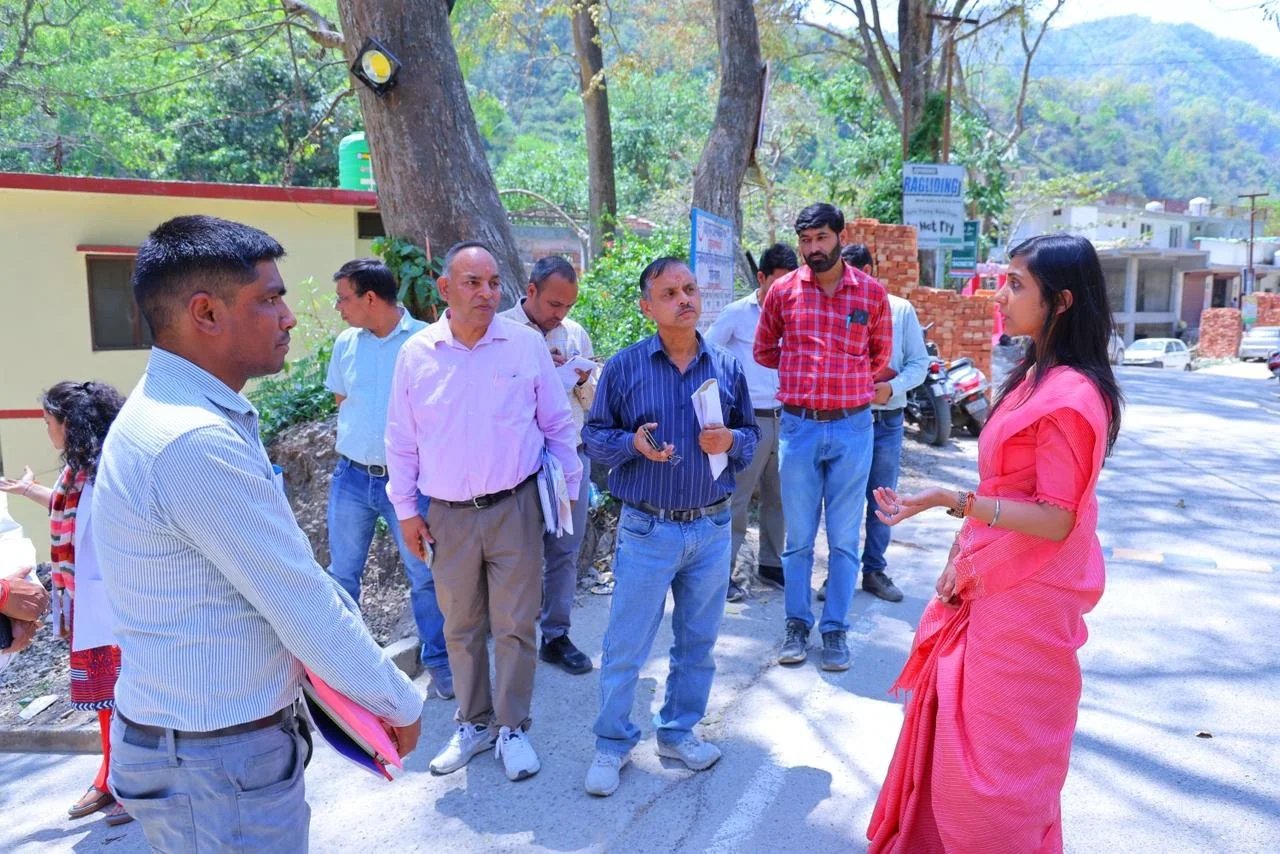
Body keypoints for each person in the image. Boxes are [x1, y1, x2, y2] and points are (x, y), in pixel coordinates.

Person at [92, 215, 423, 852]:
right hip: (215, 764)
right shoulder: (191, 441)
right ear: (206, 313)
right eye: (269, 299)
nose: (289, 317)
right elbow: (296, 599)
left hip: (202, 754)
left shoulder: (177, 412)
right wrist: (395, 700)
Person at [866, 233, 1123, 853]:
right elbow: (1005, 485)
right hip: (991, 582)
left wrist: (949, 500)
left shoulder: (1070, 395)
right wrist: (960, 552)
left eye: (1016, 284)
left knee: (995, 769)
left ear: (1061, 301)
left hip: (1025, 601)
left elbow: (1056, 519)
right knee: (956, 743)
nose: (999, 296)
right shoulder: (1035, 373)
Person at [386, 241, 582, 782]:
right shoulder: (417, 354)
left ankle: (513, 727)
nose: (486, 293)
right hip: (446, 515)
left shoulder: (523, 345)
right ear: (445, 288)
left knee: (516, 624)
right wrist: (407, 512)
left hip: (515, 507)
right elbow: (401, 441)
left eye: (494, 282)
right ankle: (474, 724)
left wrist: (567, 490)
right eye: (472, 282)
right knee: (461, 625)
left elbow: (556, 424)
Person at [581, 257, 759, 797]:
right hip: (647, 529)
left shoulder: (726, 367)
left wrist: (731, 440)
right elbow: (594, 438)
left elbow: (750, 436)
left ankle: (679, 732)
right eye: (669, 293)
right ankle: (612, 744)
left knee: (697, 642)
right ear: (646, 306)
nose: (683, 299)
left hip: (711, 527)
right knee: (627, 644)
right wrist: (631, 444)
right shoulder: (625, 368)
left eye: (689, 289)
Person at [753, 203, 891, 671]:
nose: (813, 248)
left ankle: (835, 630)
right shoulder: (783, 292)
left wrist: (840, 378)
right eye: (806, 240)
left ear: (839, 237)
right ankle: (796, 624)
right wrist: (803, 371)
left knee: (845, 538)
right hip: (799, 426)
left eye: (821, 238)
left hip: (853, 427)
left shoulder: (871, 294)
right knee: (798, 539)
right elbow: (764, 349)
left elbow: (879, 356)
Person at [0, 381, 132, 826]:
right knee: (106, 700)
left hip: (117, 604)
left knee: (128, 698)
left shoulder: (113, 466)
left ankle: (132, 781)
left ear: (69, 424)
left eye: (48, 422)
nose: (46, 430)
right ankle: (109, 775)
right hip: (86, 603)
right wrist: (27, 491)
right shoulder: (77, 472)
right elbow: (64, 508)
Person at [324, 258, 453, 698]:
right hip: (351, 477)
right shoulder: (346, 343)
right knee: (342, 576)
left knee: (424, 575)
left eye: (343, 298)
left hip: (409, 483)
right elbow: (343, 399)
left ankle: (440, 663)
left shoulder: (425, 342)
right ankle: (346, 670)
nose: (339, 307)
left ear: (370, 298)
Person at [816, 244, 929, 604]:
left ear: (867, 271)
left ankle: (874, 571)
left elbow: (919, 363)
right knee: (841, 499)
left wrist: (891, 387)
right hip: (845, 420)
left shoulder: (900, 309)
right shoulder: (829, 307)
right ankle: (838, 573)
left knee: (882, 497)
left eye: (848, 272)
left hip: (885, 421)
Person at [499, 255, 596, 675]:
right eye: (555, 304)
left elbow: (592, 404)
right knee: (514, 556)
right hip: (516, 465)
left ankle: (556, 636)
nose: (561, 314)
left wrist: (581, 379)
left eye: (568, 306)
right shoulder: (499, 330)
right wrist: (536, 373)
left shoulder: (574, 335)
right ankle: (513, 640)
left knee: (564, 552)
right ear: (531, 291)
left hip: (570, 456)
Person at [705, 243, 797, 600]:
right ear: (761, 277)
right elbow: (706, 352)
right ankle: (722, 573)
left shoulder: (796, 312)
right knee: (737, 499)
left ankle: (772, 564)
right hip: (748, 420)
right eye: (778, 282)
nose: (785, 290)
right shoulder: (737, 313)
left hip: (786, 417)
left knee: (780, 496)